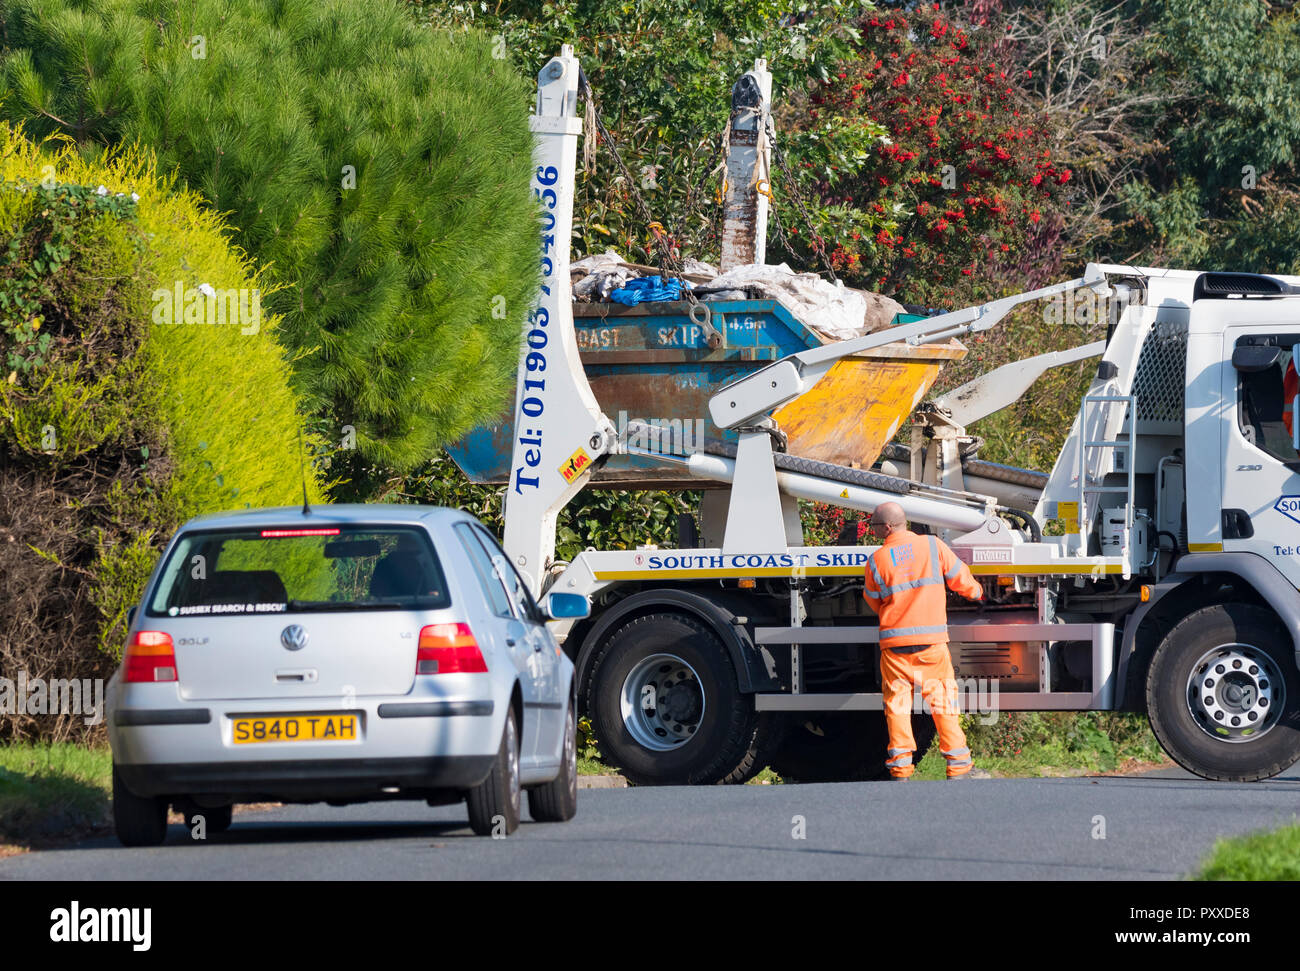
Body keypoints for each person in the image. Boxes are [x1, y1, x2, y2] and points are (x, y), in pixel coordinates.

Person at [862, 501, 988, 780]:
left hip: (894, 647)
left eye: (874, 525)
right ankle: (958, 767)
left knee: (897, 706)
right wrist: (979, 594)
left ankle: (901, 769)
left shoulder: (877, 560)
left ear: (888, 526)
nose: (872, 530)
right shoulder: (932, 546)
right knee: (943, 703)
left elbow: (873, 601)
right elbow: (960, 578)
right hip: (930, 645)